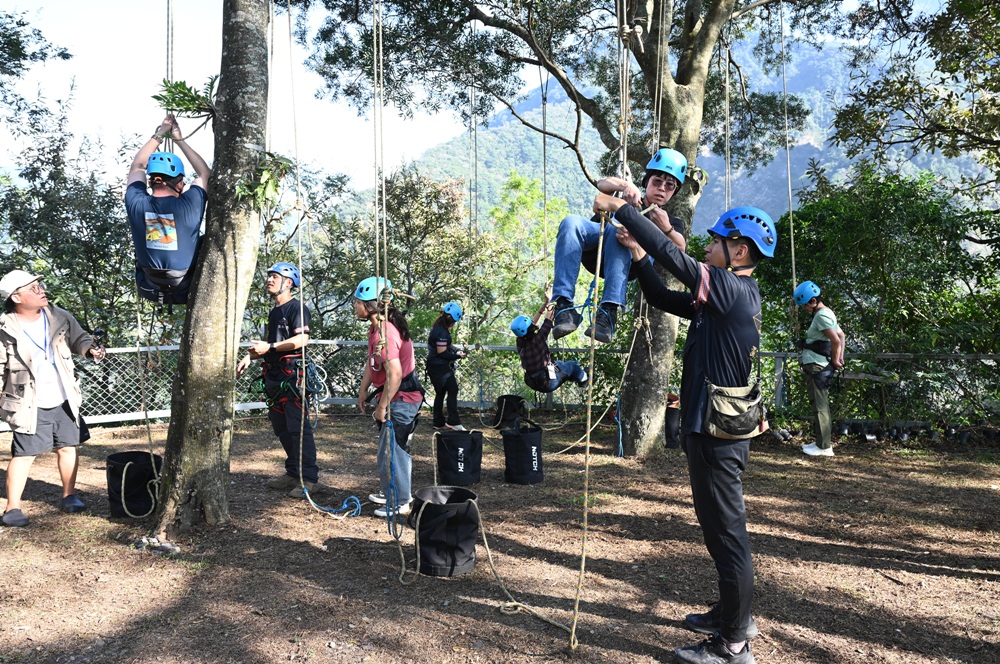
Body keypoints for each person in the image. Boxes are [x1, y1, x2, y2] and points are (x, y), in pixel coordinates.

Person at [609, 200, 777, 664]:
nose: (708, 246)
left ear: (738, 252)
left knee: (727, 534)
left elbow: (677, 258)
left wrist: (626, 209)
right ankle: (732, 614)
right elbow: (665, 298)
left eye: (717, 241)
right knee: (720, 529)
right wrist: (640, 259)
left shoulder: (730, 290)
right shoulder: (727, 297)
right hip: (717, 432)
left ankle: (734, 643)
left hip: (718, 438)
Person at [0, 270, 106, 527]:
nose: (41, 291)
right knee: (24, 454)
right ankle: (13, 508)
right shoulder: (4, 327)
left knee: (68, 446)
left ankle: (69, 496)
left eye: (40, 285)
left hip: (64, 395)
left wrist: (90, 349)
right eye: (33, 288)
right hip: (27, 400)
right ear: (16, 297)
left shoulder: (59, 316)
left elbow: (79, 338)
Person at [550, 147, 688, 344]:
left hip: (630, 260)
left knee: (621, 229)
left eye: (669, 186)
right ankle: (564, 305)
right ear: (646, 181)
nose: (662, 189)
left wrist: (666, 229)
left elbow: (680, 248)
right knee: (571, 222)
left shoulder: (670, 221)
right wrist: (625, 186)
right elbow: (601, 185)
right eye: (657, 181)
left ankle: (609, 311)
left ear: (674, 192)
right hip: (598, 244)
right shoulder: (628, 197)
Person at [236, 262, 317, 498]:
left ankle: (310, 479)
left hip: (292, 376)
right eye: (269, 276)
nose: (269, 280)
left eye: (275, 276)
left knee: (298, 428)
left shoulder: (297, 308)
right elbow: (271, 347)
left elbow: (302, 340)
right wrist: (249, 356)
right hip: (274, 376)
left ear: (288, 282)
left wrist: (269, 346)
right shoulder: (275, 312)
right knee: (281, 428)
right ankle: (292, 473)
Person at [125, 114, 212, 305]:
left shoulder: (136, 203)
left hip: (149, 286)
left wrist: (161, 133)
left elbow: (137, 166)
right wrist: (178, 139)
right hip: (185, 287)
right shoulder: (191, 204)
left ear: (150, 181)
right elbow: (204, 174)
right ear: (180, 184)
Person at [354, 277, 423, 518]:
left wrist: (382, 406)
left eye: (358, 302)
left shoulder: (386, 331)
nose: (355, 305)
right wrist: (363, 390)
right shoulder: (375, 327)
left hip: (401, 398)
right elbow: (372, 362)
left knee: (394, 450)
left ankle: (401, 500)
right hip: (395, 396)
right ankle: (390, 490)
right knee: (387, 449)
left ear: (370, 305)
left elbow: (395, 373)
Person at [793, 280, 845, 457]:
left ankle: (824, 447)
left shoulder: (821, 316)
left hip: (817, 366)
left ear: (813, 301)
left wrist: (837, 359)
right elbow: (841, 335)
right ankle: (821, 443)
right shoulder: (827, 313)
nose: (804, 309)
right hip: (821, 365)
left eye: (805, 305)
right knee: (820, 404)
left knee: (820, 406)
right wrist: (839, 358)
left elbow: (836, 340)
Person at [512, 286, 589, 393]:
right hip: (548, 382)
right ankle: (585, 380)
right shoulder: (538, 340)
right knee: (572, 366)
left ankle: (574, 377)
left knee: (559, 363)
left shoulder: (520, 341)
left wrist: (545, 303)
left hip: (535, 381)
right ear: (530, 329)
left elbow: (534, 323)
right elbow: (549, 318)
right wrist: (551, 302)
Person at [426, 302, 467, 431]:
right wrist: (458, 356)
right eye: (454, 321)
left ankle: (438, 422)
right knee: (453, 389)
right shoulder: (441, 332)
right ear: (450, 318)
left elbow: (447, 346)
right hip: (439, 367)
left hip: (435, 366)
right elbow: (442, 352)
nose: (454, 324)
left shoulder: (439, 329)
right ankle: (453, 421)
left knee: (441, 393)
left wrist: (456, 350)